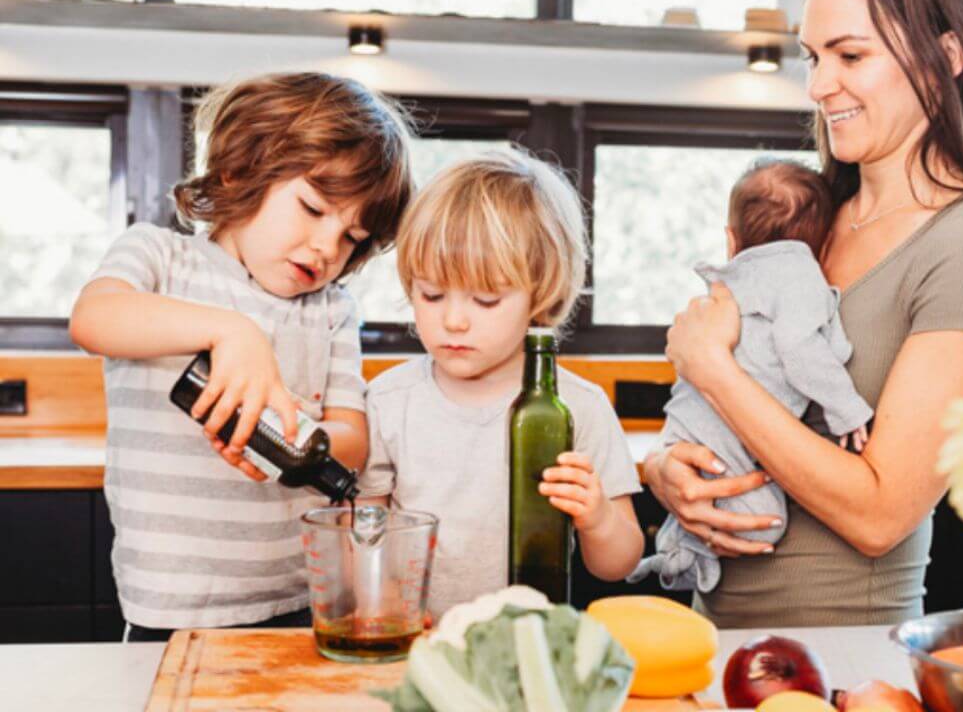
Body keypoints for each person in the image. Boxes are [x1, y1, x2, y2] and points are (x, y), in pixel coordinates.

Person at [642, 0, 963, 627]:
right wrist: (664, 472)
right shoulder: (812, 218)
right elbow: (722, 405)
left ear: (947, 55)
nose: (820, 86)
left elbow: (881, 511)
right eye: (812, 56)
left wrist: (713, 369)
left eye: (850, 55)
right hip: (714, 638)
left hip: (844, 658)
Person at [68, 72, 415, 640]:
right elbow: (94, 319)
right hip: (170, 608)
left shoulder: (331, 309)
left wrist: (307, 436)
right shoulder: (160, 258)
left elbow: (352, 439)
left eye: (352, 237)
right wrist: (233, 333)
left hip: (299, 600)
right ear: (239, 171)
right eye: (313, 207)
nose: (329, 248)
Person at [357, 148, 644, 620]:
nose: (452, 320)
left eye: (485, 300)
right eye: (430, 295)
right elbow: (367, 531)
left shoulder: (579, 408)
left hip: (531, 643)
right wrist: (386, 601)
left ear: (541, 294)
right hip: (415, 642)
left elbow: (618, 564)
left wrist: (597, 518)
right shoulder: (389, 402)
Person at [628, 157, 872, 593]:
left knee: (701, 498)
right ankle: (683, 557)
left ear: (731, 240)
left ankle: (675, 546)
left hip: (687, 424)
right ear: (824, 245)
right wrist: (847, 409)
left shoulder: (729, 282)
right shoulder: (800, 276)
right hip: (729, 441)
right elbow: (800, 351)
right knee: (766, 523)